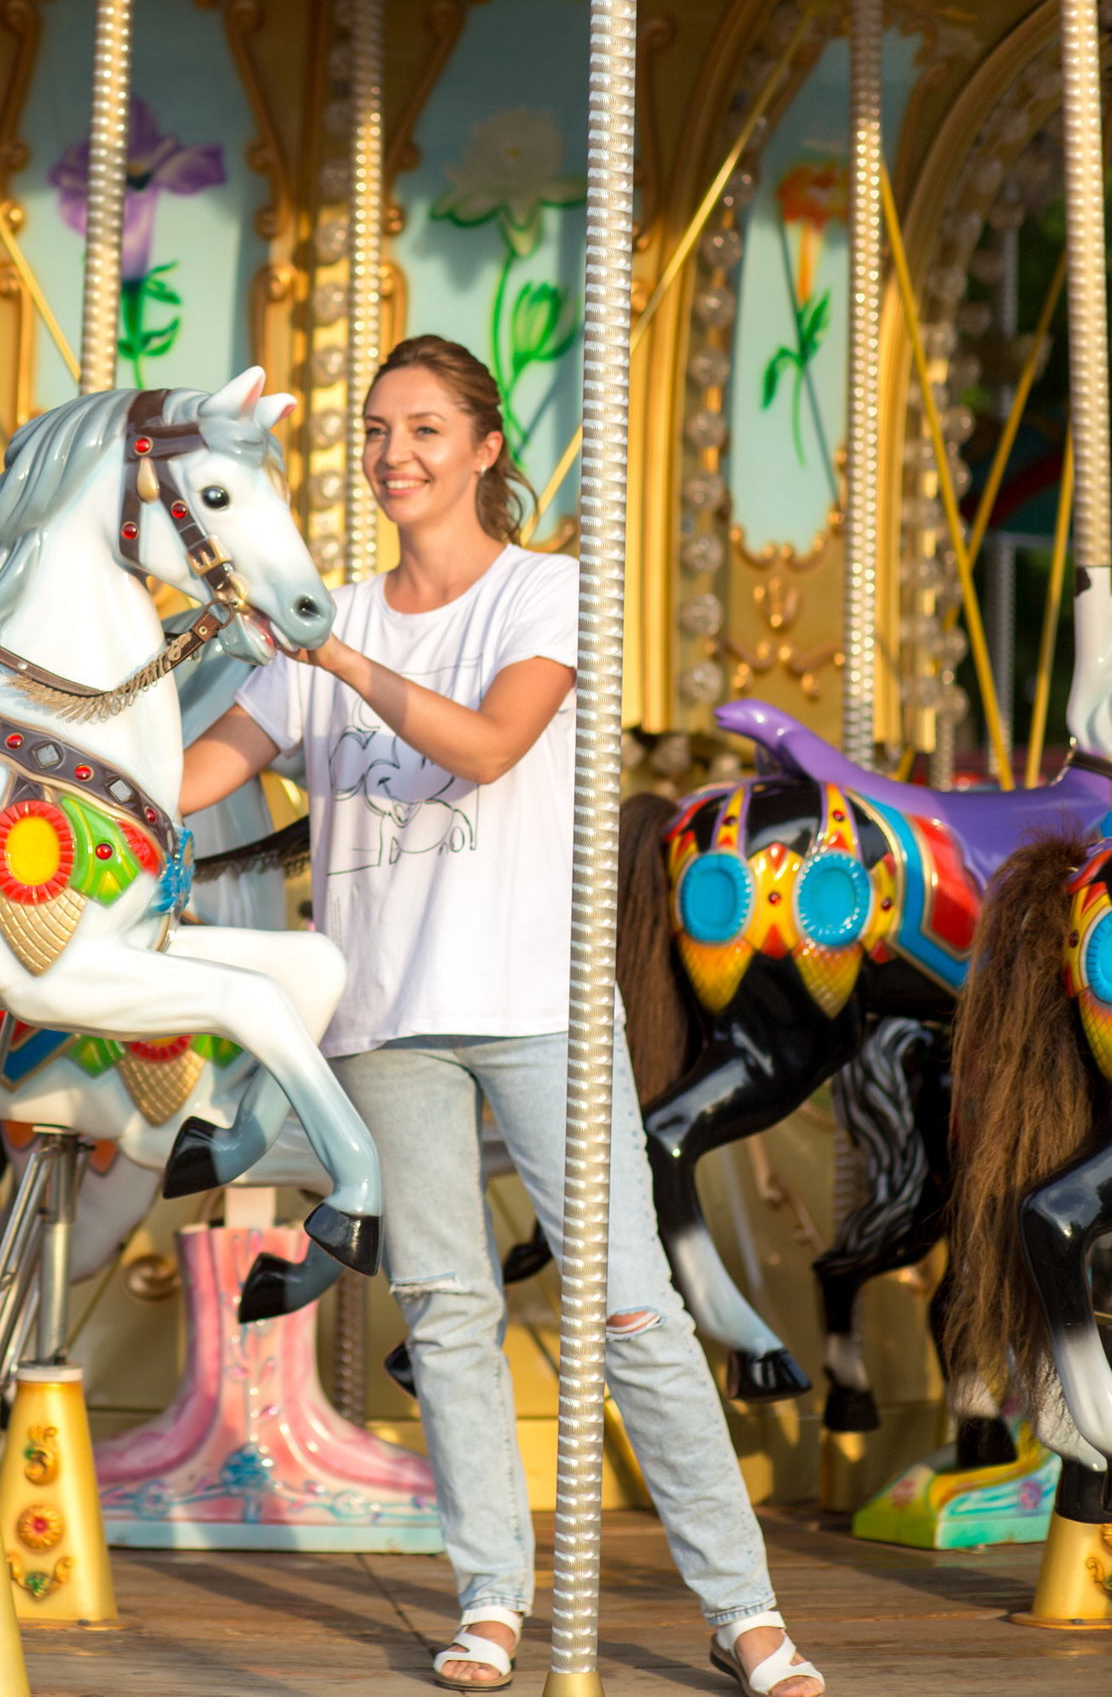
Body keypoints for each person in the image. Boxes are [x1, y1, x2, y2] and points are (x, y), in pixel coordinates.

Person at [178, 336, 824, 1697]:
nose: (392, 453)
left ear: (483, 449)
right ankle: (488, 1596)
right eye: (374, 430)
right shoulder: (325, 612)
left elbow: (487, 743)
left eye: (422, 428)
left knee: (630, 1305)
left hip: (532, 998)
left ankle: (744, 1605)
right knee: (448, 1306)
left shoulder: (546, 591)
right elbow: (189, 781)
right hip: (384, 1013)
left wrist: (331, 653)